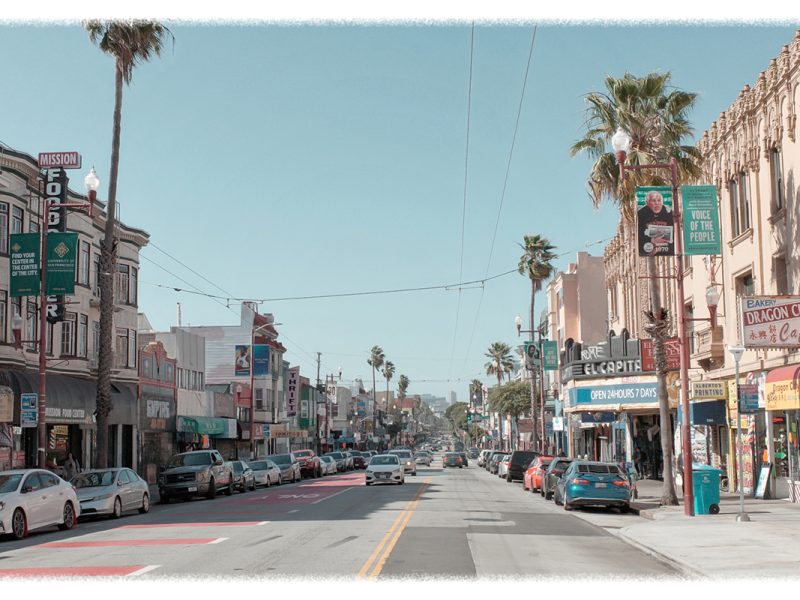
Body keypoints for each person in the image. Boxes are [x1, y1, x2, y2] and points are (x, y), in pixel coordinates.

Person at [637, 189, 674, 256]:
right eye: (653, 201)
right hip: (648, 250)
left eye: (659, 200)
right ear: (647, 202)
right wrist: (652, 240)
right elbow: (639, 235)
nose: (657, 203)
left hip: (666, 250)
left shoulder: (668, 212)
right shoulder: (640, 214)